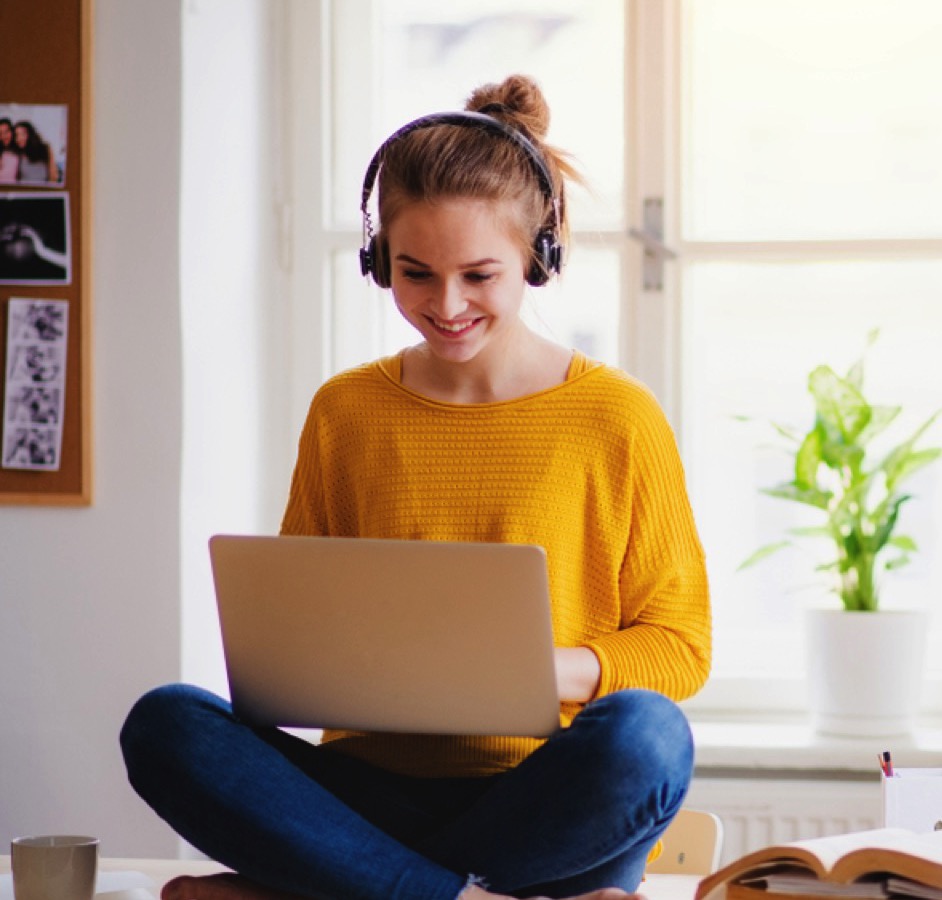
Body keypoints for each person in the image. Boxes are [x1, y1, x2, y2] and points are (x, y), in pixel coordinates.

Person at [119, 74, 712, 900]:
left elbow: (680, 648)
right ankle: (458, 895)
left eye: (479, 275)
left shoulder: (617, 417)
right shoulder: (347, 412)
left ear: (538, 256)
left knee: (649, 736)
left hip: (543, 804)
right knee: (165, 725)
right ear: (377, 260)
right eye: (416, 273)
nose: (447, 304)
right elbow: (293, 635)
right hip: (365, 798)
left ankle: (347, 891)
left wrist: (533, 672)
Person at [0, 119, 20, 184]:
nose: (3, 136)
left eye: (6, 132)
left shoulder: (19, 149)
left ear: (12, 132)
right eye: (0, 133)